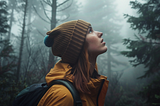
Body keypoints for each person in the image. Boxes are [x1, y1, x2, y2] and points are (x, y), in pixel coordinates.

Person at [38, 19, 109, 106]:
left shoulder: (90, 87)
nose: (100, 33)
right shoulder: (63, 96)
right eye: (90, 31)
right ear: (77, 46)